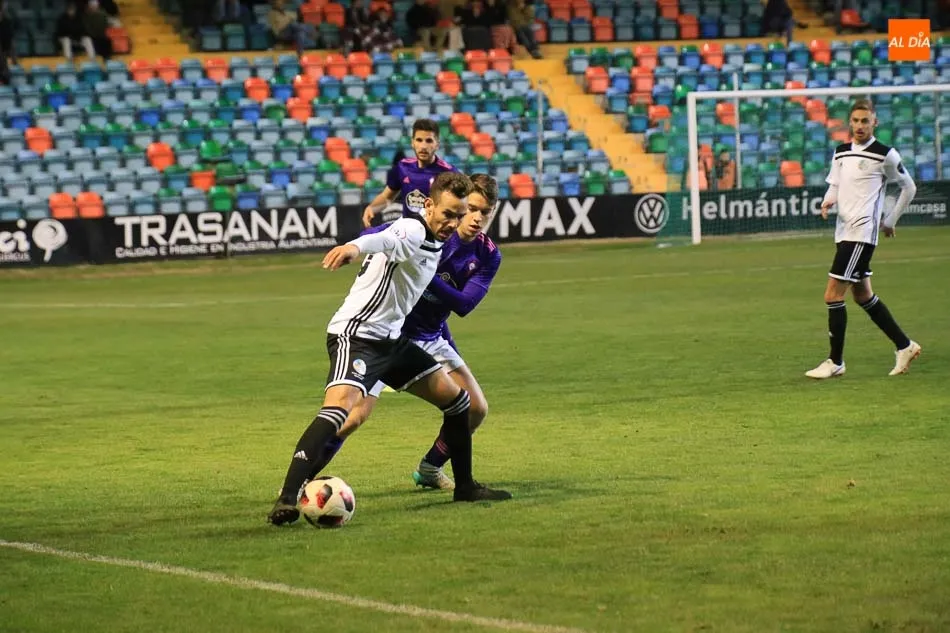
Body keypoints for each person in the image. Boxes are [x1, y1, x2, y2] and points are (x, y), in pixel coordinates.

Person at [268, 172, 511, 525]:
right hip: (358, 334)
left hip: (393, 340)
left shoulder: (448, 242)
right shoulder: (413, 230)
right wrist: (353, 247)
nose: (455, 223)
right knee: (340, 412)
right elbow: (386, 237)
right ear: (429, 205)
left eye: (461, 215)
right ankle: (288, 496)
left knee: (459, 402)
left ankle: (465, 486)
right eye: (449, 214)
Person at [805, 99, 921, 380]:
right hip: (843, 231)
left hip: (861, 233)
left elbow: (909, 187)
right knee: (863, 295)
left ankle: (835, 362)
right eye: (855, 121)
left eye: (865, 121)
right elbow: (835, 184)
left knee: (832, 294)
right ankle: (905, 346)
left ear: (874, 122)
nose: (859, 126)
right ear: (849, 122)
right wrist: (827, 202)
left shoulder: (885, 154)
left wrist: (890, 220)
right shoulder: (841, 152)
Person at [362, 118, 457, 228]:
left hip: (436, 238)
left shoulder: (449, 172)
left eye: (429, 141)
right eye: (419, 140)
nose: (423, 146)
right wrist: (372, 208)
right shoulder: (402, 167)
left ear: (437, 144)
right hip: (408, 236)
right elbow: (387, 197)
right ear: (412, 142)